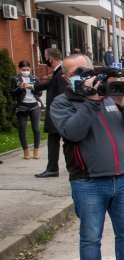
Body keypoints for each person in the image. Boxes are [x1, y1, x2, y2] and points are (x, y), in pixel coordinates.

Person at [49, 53, 124, 260]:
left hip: (123, 179)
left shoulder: (110, 96)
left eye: (87, 69)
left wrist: (123, 102)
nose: (84, 75)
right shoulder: (63, 102)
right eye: (77, 71)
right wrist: (91, 101)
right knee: (91, 238)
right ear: (65, 77)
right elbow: (72, 132)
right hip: (88, 183)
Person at [34, 48, 68, 178]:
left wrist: (57, 111)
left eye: (45, 57)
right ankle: (52, 167)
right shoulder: (58, 72)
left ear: (50, 58)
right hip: (58, 114)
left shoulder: (60, 73)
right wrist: (33, 86)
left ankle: (53, 168)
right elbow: (50, 85)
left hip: (57, 114)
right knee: (56, 141)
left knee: (57, 142)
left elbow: (61, 93)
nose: (45, 59)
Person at [11, 60, 42, 160]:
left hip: (34, 105)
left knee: (36, 129)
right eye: (23, 70)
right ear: (19, 69)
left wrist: (32, 87)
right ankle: (25, 151)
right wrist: (20, 88)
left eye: (27, 69)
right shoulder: (15, 79)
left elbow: (40, 93)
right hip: (22, 106)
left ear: (30, 69)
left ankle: (36, 150)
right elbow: (12, 94)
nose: (26, 71)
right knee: (22, 129)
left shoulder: (34, 78)